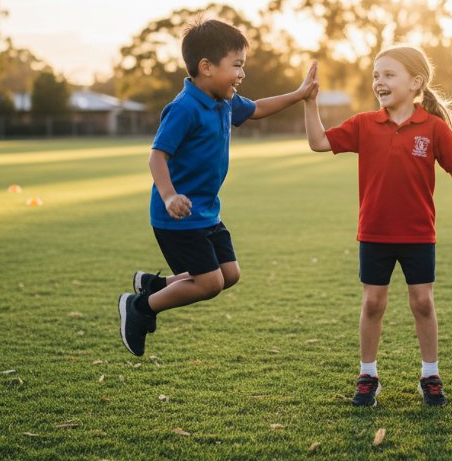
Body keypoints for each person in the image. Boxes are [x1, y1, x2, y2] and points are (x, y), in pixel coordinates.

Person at [118, 18, 317, 357]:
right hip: (178, 218)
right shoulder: (185, 108)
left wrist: (299, 95)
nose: (242, 74)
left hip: (207, 211)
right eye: (237, 66)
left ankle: (154, 285)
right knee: (209, 283)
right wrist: (169, 196)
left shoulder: (225, 101)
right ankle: (141, 307)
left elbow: (258, 109)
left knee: (229, 274)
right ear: (206, 67)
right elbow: (157, 157)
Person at [303, 45, 452, 407]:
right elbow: (318, 142)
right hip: (374, 232)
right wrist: (310, 102)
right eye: (376, 75)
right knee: (373, 302)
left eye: (389, 75)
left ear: (415, 82)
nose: (379, 81)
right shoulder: (363, 125)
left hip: (419, 234)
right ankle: (368, 375)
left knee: (422, 302)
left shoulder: (433, 128)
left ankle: (430, 375)